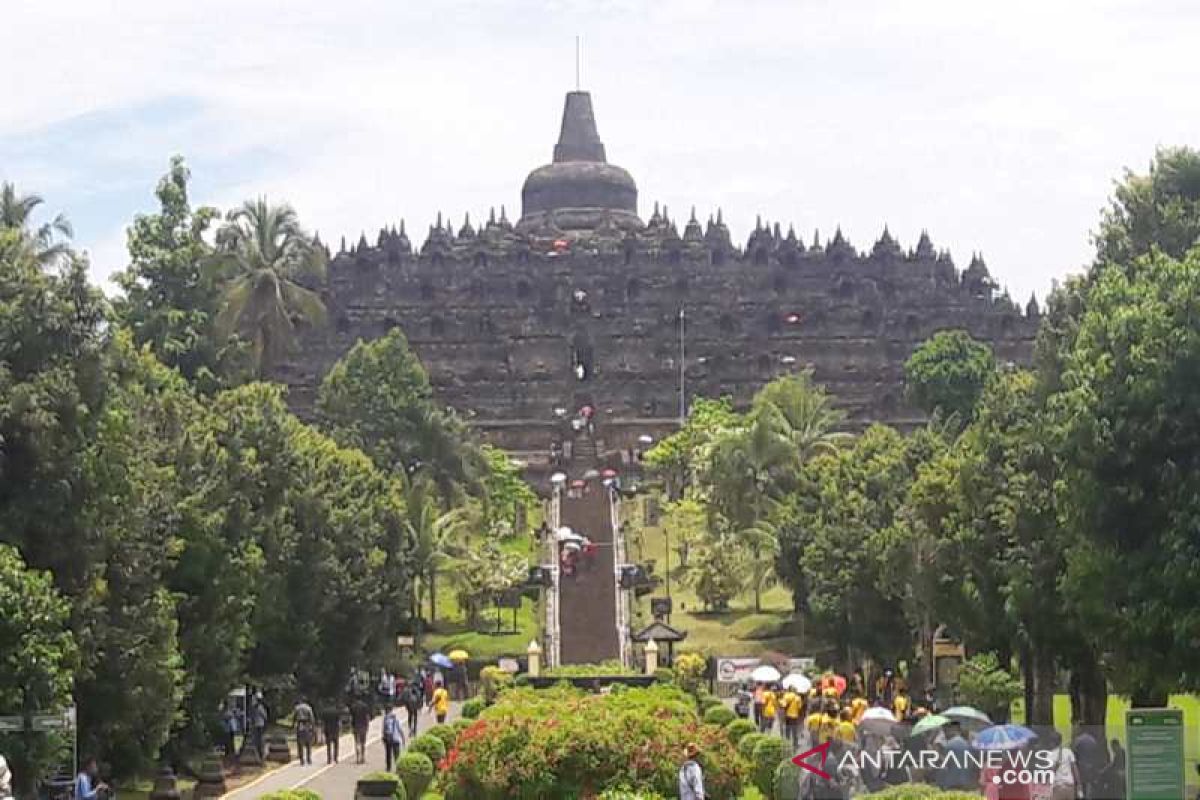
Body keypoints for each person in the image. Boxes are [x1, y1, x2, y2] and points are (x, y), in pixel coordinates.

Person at [936, 722, 977, 790]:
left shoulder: (950, 745)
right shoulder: (967, 744)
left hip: (952, 779)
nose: (945, 734)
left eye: (946, 731)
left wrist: (939, 756)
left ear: (951, 730)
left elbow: (946, 763)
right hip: (965, 778)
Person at [1045, 731, 1081, 800]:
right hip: (1070, 786)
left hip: (1057, 787)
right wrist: (1079, 784)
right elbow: (1075, 770)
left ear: (1052, 742)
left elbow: (1051, 772)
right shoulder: (1068, 752)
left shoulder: (1050, 755)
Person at [293, 696, 316, 765]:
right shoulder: (308, 708)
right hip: (307, 724)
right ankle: (308, 758)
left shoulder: (297, 707)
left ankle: (301, 759)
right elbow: (311, 717)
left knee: (300, 743)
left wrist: (293, 724)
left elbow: (294, 717)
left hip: (300, 724)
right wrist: (313, 726)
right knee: (308, 743)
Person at [382, 706, 405, 771]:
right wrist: (403, 738)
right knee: (397, 756)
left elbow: (384, 730)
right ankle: (398, 769)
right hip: (396, 739)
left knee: (388, 755)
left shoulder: (385, 719)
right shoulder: (396, 718)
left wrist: (383, 737)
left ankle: (388, 768)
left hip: (388, 739)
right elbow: (400, 729)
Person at [350, 696, 371, 764]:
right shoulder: (365, 706)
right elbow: (367, 716)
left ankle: (357, 758)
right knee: (363, 743)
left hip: (356, 726)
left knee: (357, 742)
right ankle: (363, 757)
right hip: (363, 726)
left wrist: (351, 726)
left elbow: (351, 718)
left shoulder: (353, 706)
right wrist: (367, 725)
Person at [250, 692, 269, 760]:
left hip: (256, 725)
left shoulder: (254, 707)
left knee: (257, 740)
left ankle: (259, 754)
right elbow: (265, 717)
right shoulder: (261, 707)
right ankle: (261, 755)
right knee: (261, 740)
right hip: (260, 725)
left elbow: (252, 717)